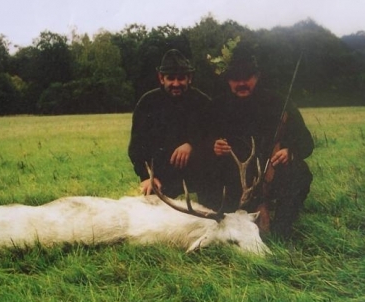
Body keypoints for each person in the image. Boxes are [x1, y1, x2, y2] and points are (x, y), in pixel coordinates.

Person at [199, 42, 314, 238]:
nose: (242, 83)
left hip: (270, 173)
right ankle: (225, 216)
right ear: (228, 80)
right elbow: (200, 139)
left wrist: (289, 151)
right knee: (204, 172)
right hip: (232, 177)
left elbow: (306, 142)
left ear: (257, 77)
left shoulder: (279, 103)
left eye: (247, 77)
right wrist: (212, 146)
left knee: (300, 172)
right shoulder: (216, 106)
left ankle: (282, 227)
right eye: (236, 78)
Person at [128, 49, 211, 197]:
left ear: (189, 78)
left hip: (199, 179)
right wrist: (147, 178)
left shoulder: (203, 103)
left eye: (181, 78)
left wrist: (192, 144)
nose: (176, 83)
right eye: (171, 78)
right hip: (160, 180)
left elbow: (214, 137)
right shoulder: (147, 103)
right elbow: (136, 147)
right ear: (161, 78)